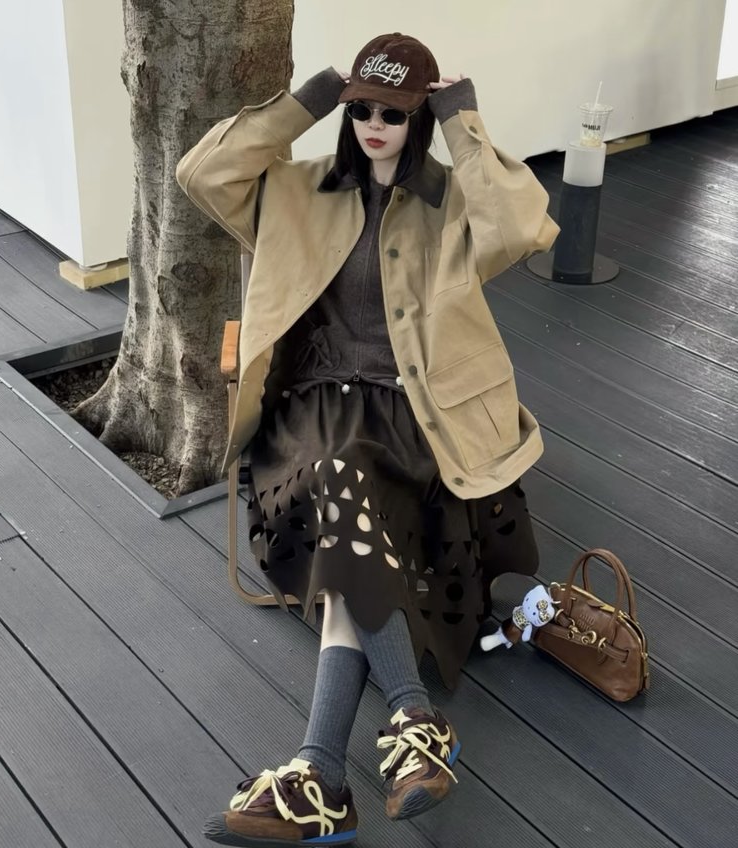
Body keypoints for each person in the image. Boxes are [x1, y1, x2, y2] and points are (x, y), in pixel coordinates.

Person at [177, 31, 558, 848]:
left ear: (417, 118)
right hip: (311, 412)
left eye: (393, 113)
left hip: (411, 419)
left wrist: (462, 118)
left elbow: (522, 223)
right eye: (362, 111)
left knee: (347, 523)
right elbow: (202, 174)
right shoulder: (298, 188)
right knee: (340, 479)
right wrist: (314, 94)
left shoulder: (451, 202)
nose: (375, 126)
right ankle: (411, 720)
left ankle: (320, 776)